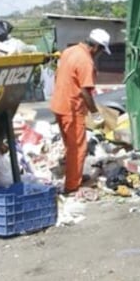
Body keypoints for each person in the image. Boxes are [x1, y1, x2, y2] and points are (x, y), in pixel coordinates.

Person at [50, 28, 111, 194]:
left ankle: (71, 176)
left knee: (70, 147)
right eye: (100, 51)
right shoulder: (86, 61)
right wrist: (96, 115)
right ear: (96, 47)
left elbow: (58, 76)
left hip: (59, 104)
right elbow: (85, 91)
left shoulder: (69, 51)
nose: (99, 54)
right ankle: (71, 186)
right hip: (72, 109)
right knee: (78, 149)